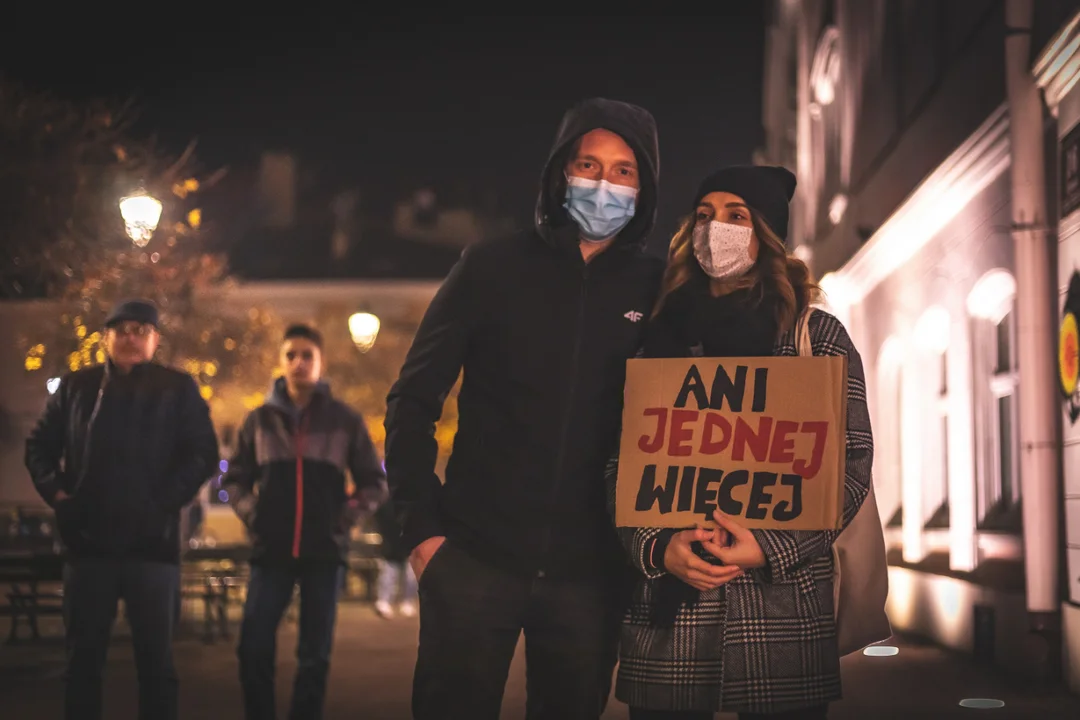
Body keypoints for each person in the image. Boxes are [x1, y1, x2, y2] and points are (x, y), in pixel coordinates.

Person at [384, 97, 665, 720]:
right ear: (559, 172)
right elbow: (413, 397)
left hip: (591, 577)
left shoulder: (659, 288)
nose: (602, 184)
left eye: (623, 171)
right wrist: (421, 530)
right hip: (473, 559)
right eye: (588, 164)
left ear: (644, 188)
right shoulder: (490, 267)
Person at [611, 166, 874, 719]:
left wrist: (771, 546)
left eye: (737, 216)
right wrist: (658, 546)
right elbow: (619, 462)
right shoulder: (660, 337)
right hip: (669, 617)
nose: (716, 230)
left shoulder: (813, 336)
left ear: (768, 235)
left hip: (782, 611)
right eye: (704, 216)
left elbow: (850, 465)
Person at [24, 298, 220, 720]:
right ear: (106, 337)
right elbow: (39, 447)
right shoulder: (77, 388)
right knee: (82, 665)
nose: (131, 338)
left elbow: (203, 454)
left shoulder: (178, 389)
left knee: (156, 666)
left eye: (140, 330)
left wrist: (165, 503)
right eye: (122, 329)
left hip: (153, 547)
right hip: (88, 547)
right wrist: (59, 497)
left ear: (155, 339)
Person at [222, 323, 387, 720]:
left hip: (324, 554)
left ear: (320, 362)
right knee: (253, 646)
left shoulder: (343, 419)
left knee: (314, 656)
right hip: (271, 551)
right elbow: (234, 480)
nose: (299, 363)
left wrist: (344, 518)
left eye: (307, 355)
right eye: (291, 355)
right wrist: (252, 513)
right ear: (281, 363)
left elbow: (374, 481)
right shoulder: (258, 420)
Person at [372, 499, 418, 619]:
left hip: (408, 546)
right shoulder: (387, 505)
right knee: (388, 576)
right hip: (391, 545)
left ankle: (407, 602)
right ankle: (384, 601)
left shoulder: (413, 505)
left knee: (410, 577)